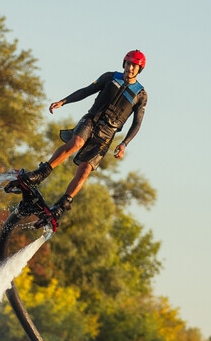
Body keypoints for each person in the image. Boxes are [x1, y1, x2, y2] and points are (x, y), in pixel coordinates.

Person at [16, 49, 148, 220]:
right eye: (129, 64)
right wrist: (63, 101)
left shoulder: (141, 94)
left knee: (85, 170)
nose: (130, 68)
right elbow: (86, 91)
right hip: (91, 120)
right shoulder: (110, 77)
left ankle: (62, 204)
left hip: (106, 134)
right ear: (124, 63)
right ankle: (41, 173)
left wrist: (124, 144)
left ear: (139, 69)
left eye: (134, 66)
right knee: (76, 142)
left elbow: (137, 123)